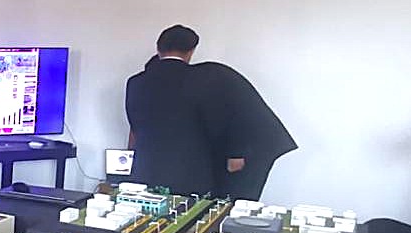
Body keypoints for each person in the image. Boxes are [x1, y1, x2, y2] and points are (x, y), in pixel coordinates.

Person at [125, 25, 295, 198]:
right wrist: (235, 153)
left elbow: (135, 126)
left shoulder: (135, 82)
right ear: (191, 51)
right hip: (193, 170)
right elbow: (224, 118)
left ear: (158, 48)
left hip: (147, 167)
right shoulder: (205, 78)